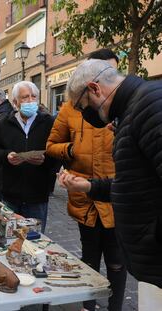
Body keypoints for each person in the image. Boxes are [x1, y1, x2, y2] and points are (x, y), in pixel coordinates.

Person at [59, 58, 162, 309]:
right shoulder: (132, 111)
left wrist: (154, 238)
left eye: (84, 105)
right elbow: (134, 184)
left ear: (95, 89)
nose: (87, 114)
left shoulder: (149, 105)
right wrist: (90, 187)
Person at [46, 49, 126, 311]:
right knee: (88, 258)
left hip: (117, 196)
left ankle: (115, 306)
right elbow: (52, 145)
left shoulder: (125, 106)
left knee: (116, 261)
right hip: (85, 196)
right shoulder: (71, 106)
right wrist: (71, 150)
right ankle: (87, 306)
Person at [0, 81, 58, 233]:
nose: (31, 101)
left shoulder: (48, 123)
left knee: (35, 239)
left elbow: (58, 154)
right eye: (25, 97)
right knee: (8, 237)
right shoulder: (3, 124)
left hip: (37, 195)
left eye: (34, 96)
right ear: (15, 102)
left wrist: (46, 161)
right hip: (10, 194)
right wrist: (6, 156)